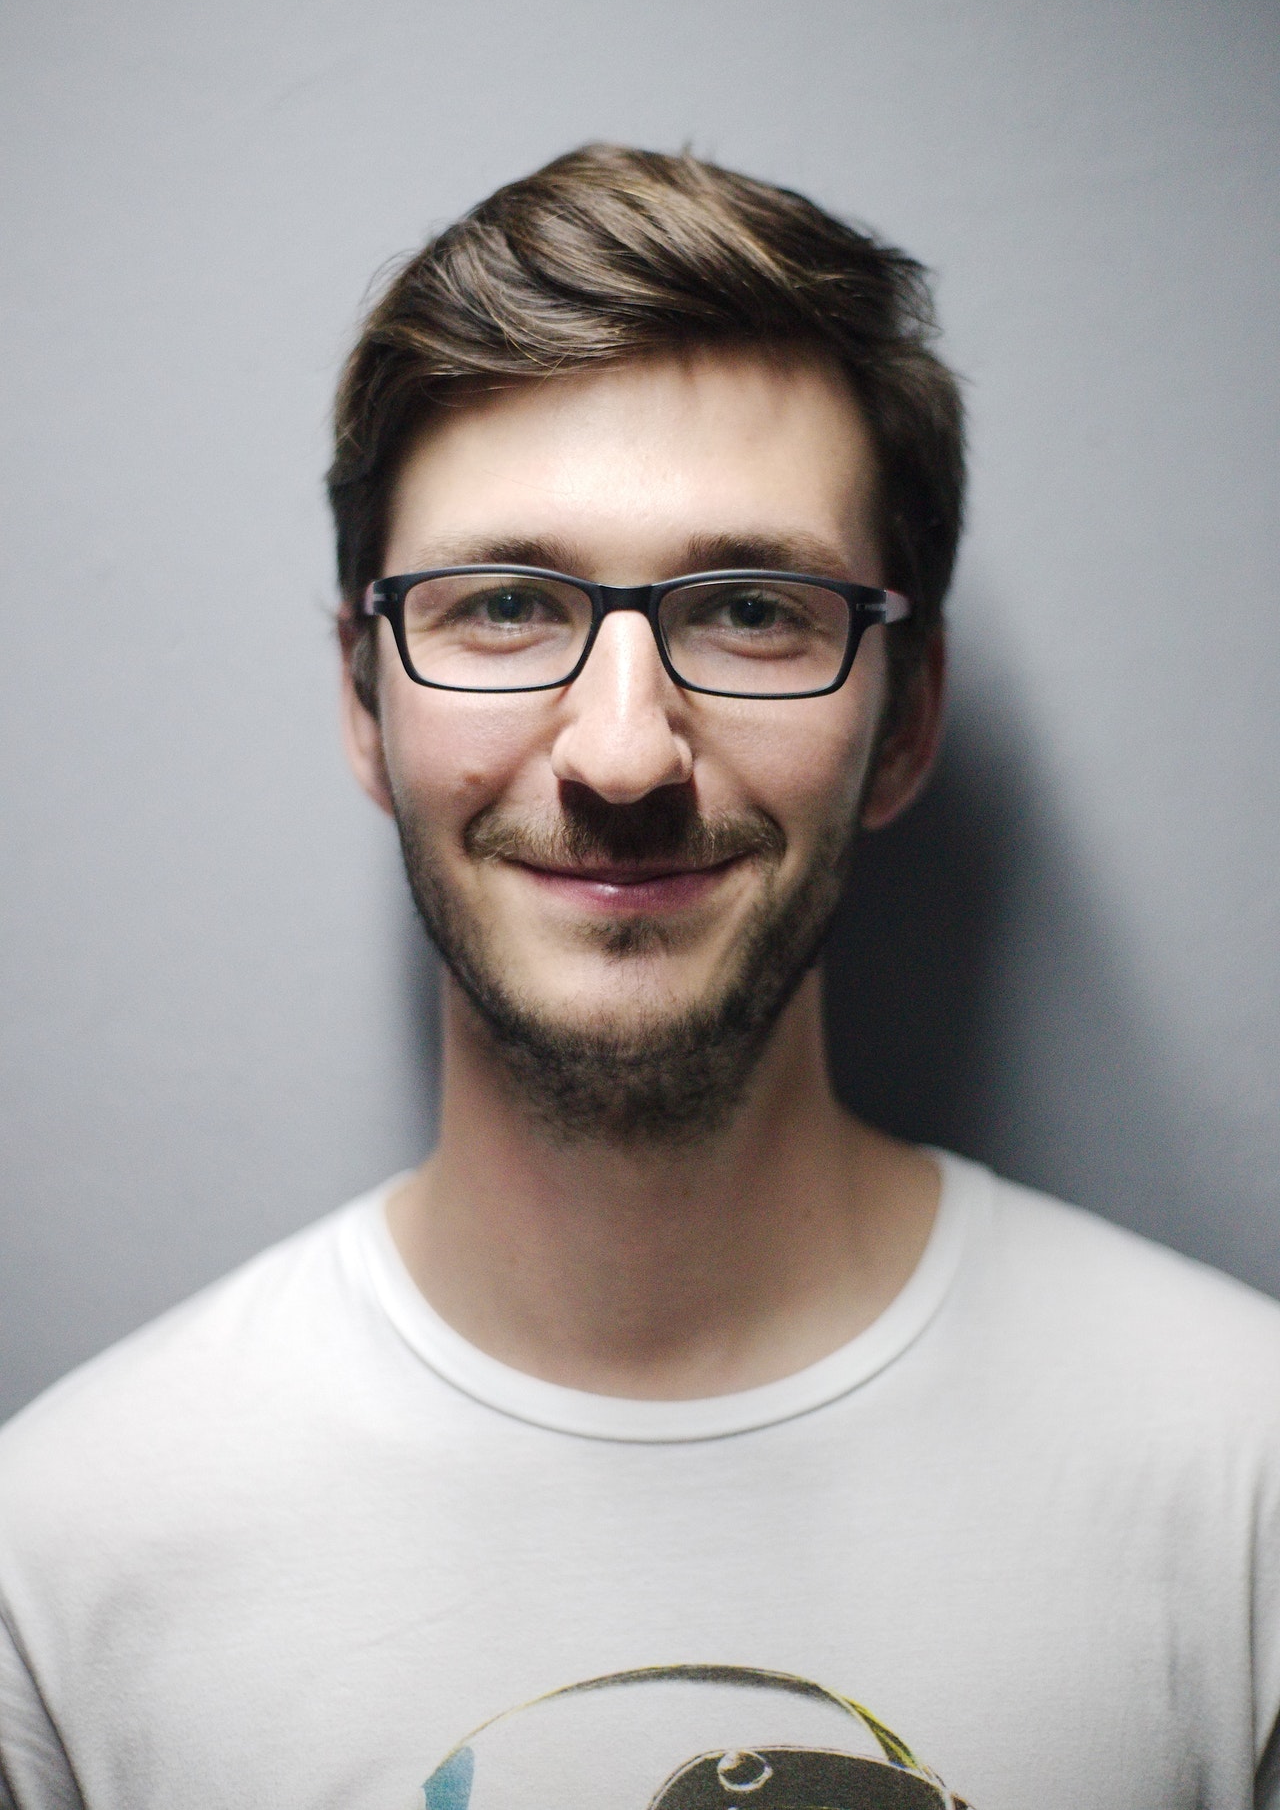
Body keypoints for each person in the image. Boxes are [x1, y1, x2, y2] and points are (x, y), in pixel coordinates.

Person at [0, 145, 1277, 1810]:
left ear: (905, 718)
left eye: (751, 607)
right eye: (507, 604)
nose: (619, 753)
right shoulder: (62, 1563)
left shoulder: (1244, 1480)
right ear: (363, 700)